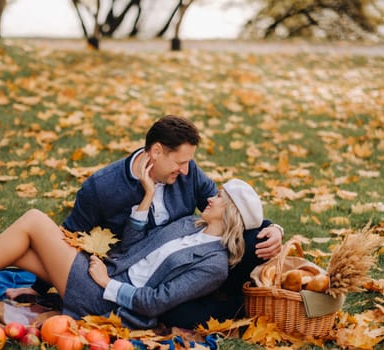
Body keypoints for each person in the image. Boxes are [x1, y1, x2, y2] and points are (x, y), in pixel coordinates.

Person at [0, 178, 264, 329]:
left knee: (31, 221)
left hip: (107, 301)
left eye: (220, 197)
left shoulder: (213, 265)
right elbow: (131, 248)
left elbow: (155, 302)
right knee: (14, 249)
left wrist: (108, 284)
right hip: (100, 271)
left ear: (231, 212)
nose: (210, 197)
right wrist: (145, 200)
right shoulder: (188, 225)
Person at [36, 114, 284, 327]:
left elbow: (239, 213)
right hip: (108, 269)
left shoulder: (209, 252)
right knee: (33, 228)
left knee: (34, 221)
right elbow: (73, 233)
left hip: (114, 293)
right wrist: (147, 199)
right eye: (180, 162)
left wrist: (272, 227)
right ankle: (16, 290)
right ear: (156, 152)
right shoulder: (104, 187)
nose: (186, 170)